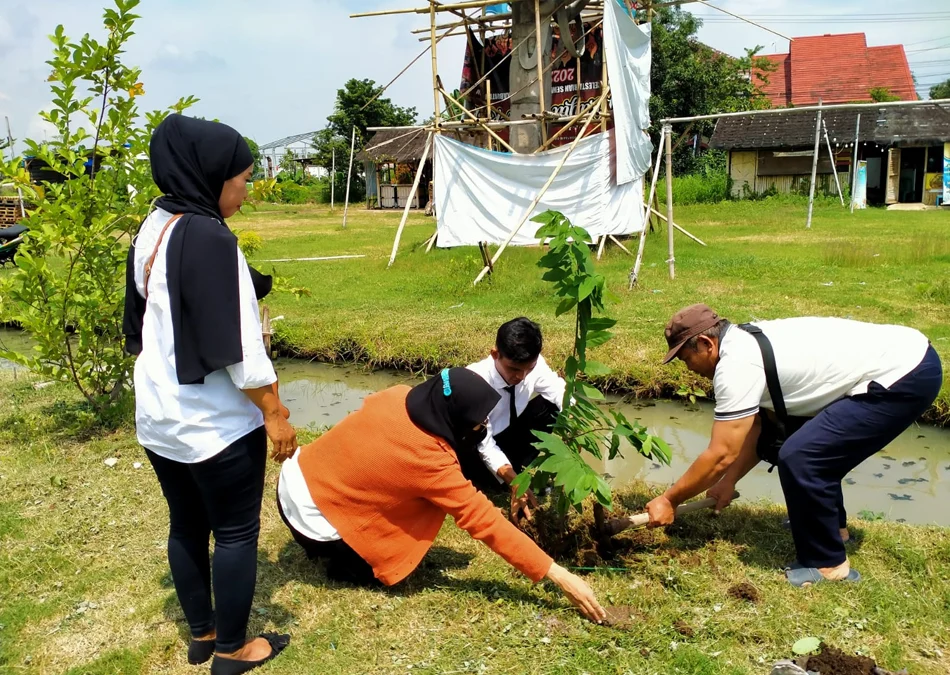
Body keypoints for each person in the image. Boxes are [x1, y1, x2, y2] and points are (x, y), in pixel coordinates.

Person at [123, 114, 297, 675]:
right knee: (238, 531)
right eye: (242, 180)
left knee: (186, 524)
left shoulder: (158, 222)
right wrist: (275, 413)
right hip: (213, 422)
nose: (246, 190)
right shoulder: (212, 238)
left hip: (159, 414)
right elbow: (242, 350)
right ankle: (233, 652)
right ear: (210, 176)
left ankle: (203, 635)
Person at [276, 367, 606, 623]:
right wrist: (559, 576)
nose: (482, 429)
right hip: (310, 521)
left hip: (293, 476)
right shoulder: (430, 462)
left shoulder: (397, 395)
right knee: (373, 570)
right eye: (477, 425)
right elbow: (486, 522)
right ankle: (342, 561)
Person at [645, 304, 942, 587]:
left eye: (686, 358)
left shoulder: (736, 366)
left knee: (804, 456)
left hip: (904, 373)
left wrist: (670, 500)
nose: (688, 368)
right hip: (908, 355)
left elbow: (721, 452)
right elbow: (760, 428)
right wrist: (728, 482)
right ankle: (834, 532)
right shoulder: (743, 342)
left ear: (707, 344)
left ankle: (828, 564)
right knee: (814, 447)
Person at [464, 317, 566, 523]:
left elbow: (559, 391)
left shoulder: (533, 367)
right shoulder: (474, 382)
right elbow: (485, 445)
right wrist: (515, 482)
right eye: (514, 369)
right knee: (477, 450)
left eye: (528, 368)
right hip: (475, 450)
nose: (521, 377)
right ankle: (498, 480)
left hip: (509, 434)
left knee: (552, 407)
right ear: (495, 354)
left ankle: (513, 471)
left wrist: (574, 422)